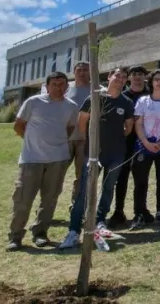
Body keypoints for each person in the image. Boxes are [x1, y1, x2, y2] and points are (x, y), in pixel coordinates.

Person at [60, 67, 134, 250]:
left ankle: (100, 223)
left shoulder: (126, 102)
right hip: (93, 154)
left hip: (116, 154)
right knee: (84, 191)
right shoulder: (95, 97)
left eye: (123, 77)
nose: (120, 79)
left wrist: (114, 139)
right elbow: (82, 122)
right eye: (117, 75)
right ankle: (74, 230)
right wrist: (92, 143)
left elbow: (128, 128)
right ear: (109, 77)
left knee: (108, 188)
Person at [7, 71, 79, 251]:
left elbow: (70, 128)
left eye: (62, 84)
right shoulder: (33, 102)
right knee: (23, 199)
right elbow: (18, 126)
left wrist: (56, 143)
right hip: (32, 159)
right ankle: (15, 237)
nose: (59, 87)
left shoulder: (71, 106)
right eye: (54, 84)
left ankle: (40, 233)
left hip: (58, 159)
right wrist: (34, 141)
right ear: (47, 86)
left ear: (67, 86)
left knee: (49, 199)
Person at [130, 69, 160, 230]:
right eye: (156, 79)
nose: (159, 82)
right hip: (143, 147)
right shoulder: (143, 101)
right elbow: (138, 124)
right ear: (151, 82)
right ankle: (139, 213)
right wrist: (146, 142)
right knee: (140, 182)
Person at [109, 65, 149, 229]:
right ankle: (118, 211)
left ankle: (140, 211)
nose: (138, 77)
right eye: (134, 74)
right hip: (124, 142)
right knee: (121, 178)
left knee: (141, 178)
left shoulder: (149, 96)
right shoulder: (123, 96)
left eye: (141, 74)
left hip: (143, 142)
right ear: (129, 77)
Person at [65, 61, 91, 214]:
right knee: (56, 173)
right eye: (79, 70)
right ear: (74, 72)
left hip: (85, 139)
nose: (82, 73)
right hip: (65, 138)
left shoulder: (95, 89)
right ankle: (46, 207)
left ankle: (76, 205)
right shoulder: (66, 88)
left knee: (81, 175)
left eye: (85, 70)